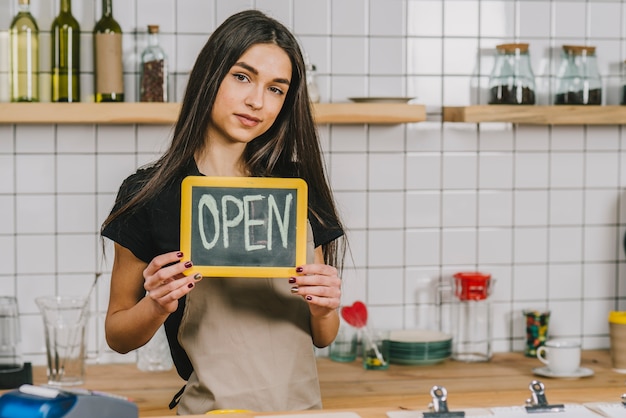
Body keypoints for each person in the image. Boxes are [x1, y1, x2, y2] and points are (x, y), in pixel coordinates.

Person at [100, 9, 346, 415]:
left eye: (276, 89)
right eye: (242, 76)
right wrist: (156, 304)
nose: (256, 101)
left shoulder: (296, 190)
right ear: (211, 74)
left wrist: (324, 307)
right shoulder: (149, 194)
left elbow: (323, 335)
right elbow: (118, 335)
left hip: (300, 411)